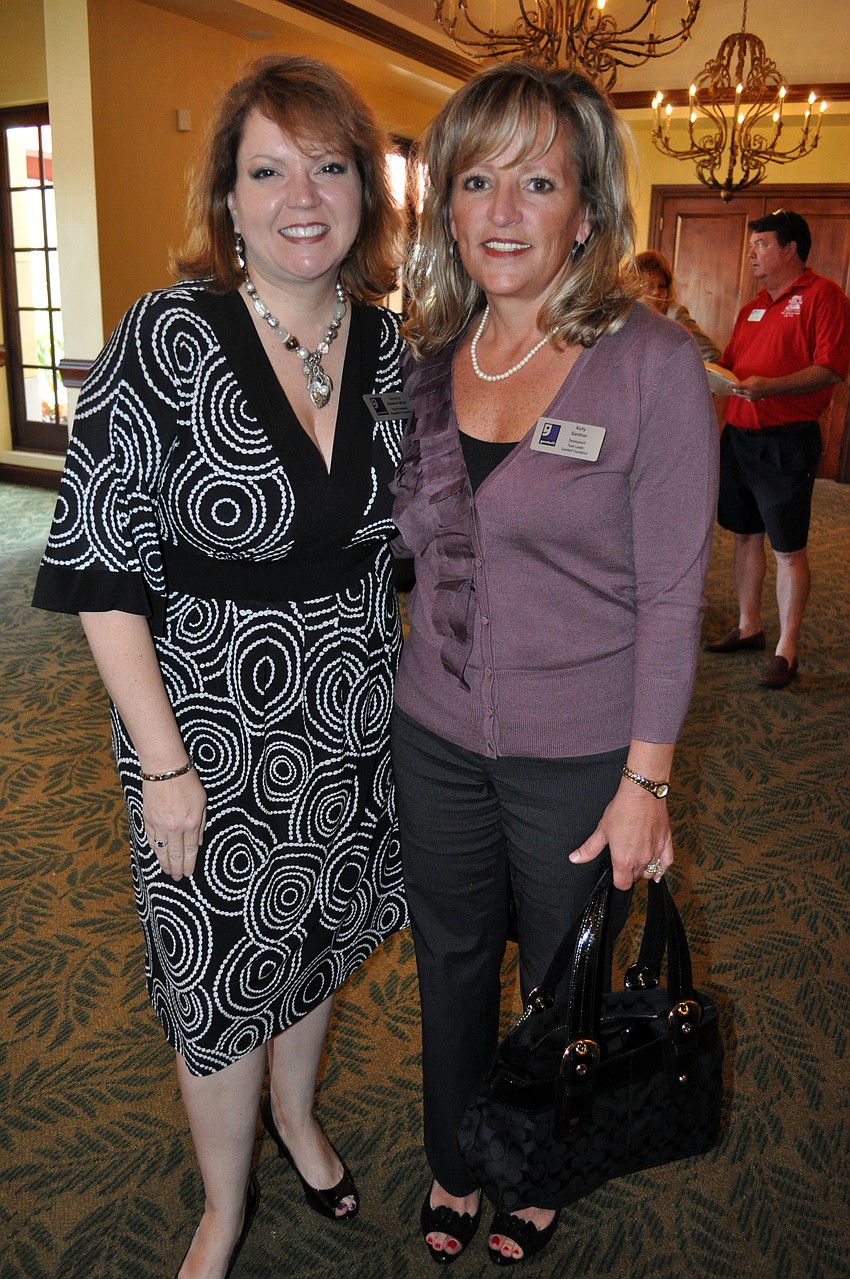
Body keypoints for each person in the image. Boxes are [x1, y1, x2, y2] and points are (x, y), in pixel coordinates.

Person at [33, 54, 407, 1279]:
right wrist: (163, 764)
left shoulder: (392, 347)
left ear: (364, 191)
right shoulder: (166, 336)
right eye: (268, 170)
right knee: (216, 976)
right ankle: (222, 1205)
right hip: (201, 731)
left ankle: (297, 1119)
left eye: (330, 166)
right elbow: (100, 566)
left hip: (350, 716)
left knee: (312, 941)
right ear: (227, 197)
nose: (302, 196)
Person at [391, 61, 718, 1268]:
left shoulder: (650, 363)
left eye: (536, 183)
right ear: (447, 204)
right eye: (476, 181)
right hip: (432, 734)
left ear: (586, 212)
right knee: (449, 960)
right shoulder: (428, 358)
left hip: (581, 752)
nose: (502, 212)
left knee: (557, 979)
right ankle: (454, 1155)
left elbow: (673, 593)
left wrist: (647, 781)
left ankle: (535, 1165)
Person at [704, 210, 850, 689]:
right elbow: (730, 365)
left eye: (762, 244)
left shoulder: (823, 295)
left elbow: (831, 368)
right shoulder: (752, 308)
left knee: (788, 547)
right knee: (744, 535)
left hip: (787, 440)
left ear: (790, 249)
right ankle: (750, 625)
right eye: (751, 245)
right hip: (739, 437)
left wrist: (769, 387)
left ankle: (787, 648)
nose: (752, 253)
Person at [634, 249, 721, 362]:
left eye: (662, 286)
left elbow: (712, 355)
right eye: (649, 286)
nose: (656, 292)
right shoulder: (625, 316)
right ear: (632, 287)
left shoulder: (675, 314)